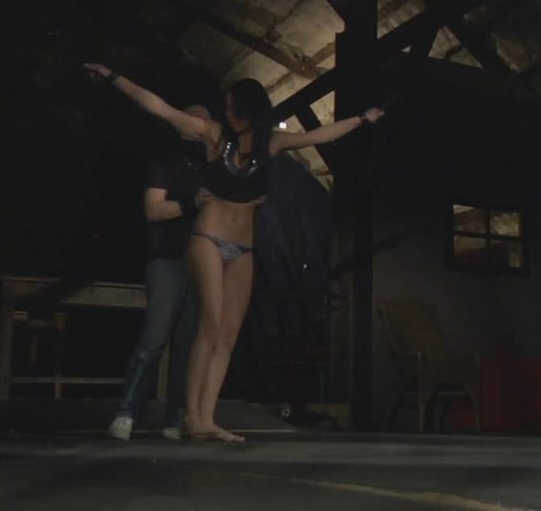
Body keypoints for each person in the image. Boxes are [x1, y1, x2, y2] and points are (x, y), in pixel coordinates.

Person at [84, 63, 384, 442]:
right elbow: (160, 108)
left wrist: (362, 119)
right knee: (210, 325)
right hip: (208, 239)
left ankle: (206, 418)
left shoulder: (271, 143)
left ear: (249, 110)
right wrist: (115, 78)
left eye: (233, 108)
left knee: (228, 334)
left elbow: (318, 134)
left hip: (244, 248)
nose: (227, 114)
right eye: (225, 108)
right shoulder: (213, 134)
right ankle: (192, 417)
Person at [107, 105, 214, 441]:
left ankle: (176, 417)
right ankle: (127, 412)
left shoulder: (213, 169)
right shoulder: (165, 162)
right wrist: (191, 204)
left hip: (201, 263)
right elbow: (153, 210)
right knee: (154, 339)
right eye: (194, 118)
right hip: (168, 258)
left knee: (188, 345)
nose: (200, 124)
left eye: (205, 119)